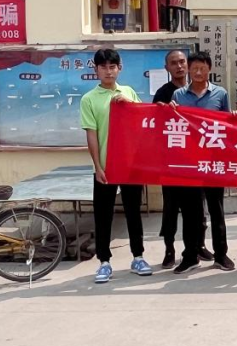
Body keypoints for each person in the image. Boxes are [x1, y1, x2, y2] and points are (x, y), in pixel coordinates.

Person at [81, 48, 152, 284]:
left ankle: (138, 257)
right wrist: (98, 166)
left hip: (130, 164)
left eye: (112, 67)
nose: (108, 71)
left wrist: (129, 103)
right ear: (96, 70)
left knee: (133, 212)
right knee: (103, 215)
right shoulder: (89, 99)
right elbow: (92, 134)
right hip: (106, 166)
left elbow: (143, 120)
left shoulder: (128, 92)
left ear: (119, 68)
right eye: (103, 67)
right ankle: (104, 261)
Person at [171, 51, 235, 273]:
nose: (198, 72)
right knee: (191, 213)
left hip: (212, 161)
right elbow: (172, 123)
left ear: (209, 69)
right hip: (188, 162)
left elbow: (228, 126)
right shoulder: (178, 95)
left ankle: (221, 255)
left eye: (202, 68)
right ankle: (191, 255)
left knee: (216, 210)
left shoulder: (220, 94)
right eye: (194, 68)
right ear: (189, 70)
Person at [152, 50, 212, 269]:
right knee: (171, 207)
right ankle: (169, 249)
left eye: (182, 62)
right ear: (167, 68)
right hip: (171, 161)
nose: (179, 66)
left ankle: (199, 245)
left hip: (197, 160)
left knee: (198, 207)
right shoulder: (163, 93)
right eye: (173, 63)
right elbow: (156, 125)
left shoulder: (200, 90)